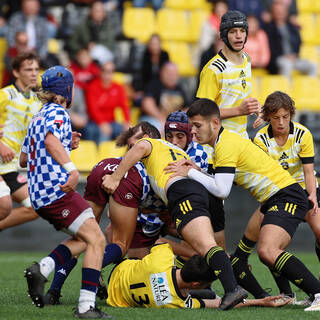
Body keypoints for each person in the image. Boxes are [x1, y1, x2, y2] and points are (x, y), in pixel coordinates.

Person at [166, 98, 320, 312]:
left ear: (215, 124)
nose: (193, 131)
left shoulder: (225, 145)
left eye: (197, 126)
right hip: (274, 198)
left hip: (286, 195)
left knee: (268, 250)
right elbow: (222, 180)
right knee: (252, 256)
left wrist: (190, 172)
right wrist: (198, 171)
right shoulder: (223, 143)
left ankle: (318, 293)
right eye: (191, 126)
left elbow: (221, 190)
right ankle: (286, 295)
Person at [101, 122, 248, 311]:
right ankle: (239, 287)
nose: (132, 149)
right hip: (196, 191)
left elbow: (143, 146)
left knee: (206, 246)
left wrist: (115, 177)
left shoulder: (151, 144)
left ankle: (232, 289)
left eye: (132, 146)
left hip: (181, 192)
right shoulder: (175, 151)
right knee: (207, 247)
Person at [20, 65, 111, 318]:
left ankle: (43, 268)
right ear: (67, 90)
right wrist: (71, 170)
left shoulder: (38, 115)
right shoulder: (59, 112)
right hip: (57, 191)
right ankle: (85, 307)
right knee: (98, 240)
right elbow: (50, 141)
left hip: (39, 195)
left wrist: (64, 143)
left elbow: (24, 159)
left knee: (85, 239)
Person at [233, 91, 320, 305]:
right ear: (268, 117)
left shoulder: (302, 134)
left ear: (291, 115)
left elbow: (309, 171)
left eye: (285, 116)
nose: (281, 122)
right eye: (276, 117)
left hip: (305, 190)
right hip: (279, 194)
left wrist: (313, 196)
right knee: (267, 242)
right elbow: (264, 174)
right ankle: (287, 294)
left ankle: (316, 292)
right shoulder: (261, 138)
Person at [106, 241, 290, 309]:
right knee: (210, 296)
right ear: (195, 284)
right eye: (205, 283)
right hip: (116, 296)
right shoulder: (176, 301)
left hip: (118, 274)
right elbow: (219, 304)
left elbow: (160, 241)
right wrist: (260, 301)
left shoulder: (162, 260)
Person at [197, 10, 262, 139]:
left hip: (241, 137)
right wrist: (239, 111)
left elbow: (240, 95)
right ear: (223, 36)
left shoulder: (247, 59)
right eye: (233, 32)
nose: (239, 36)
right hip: (218, 141)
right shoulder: (214, 69)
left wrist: (256, 107)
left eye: (242, 31)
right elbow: (201, 113)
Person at [0, 51, 41, 232]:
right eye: (28, 69)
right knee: (5, 205)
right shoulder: (5, 95)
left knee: (34, 207)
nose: (34, 73)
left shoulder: (37, 101)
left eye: (36, 69)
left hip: (9, 165)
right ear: (16, 72)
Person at [263, 0, 317, 76]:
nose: (279, 13)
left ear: (286, 12)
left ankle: (311, 87)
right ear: (272, 12)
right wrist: (284, 56)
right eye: (277, 11)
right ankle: (284, 87)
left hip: (293, 58)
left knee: (313, 66)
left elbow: (298, 43)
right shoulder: (268, 28)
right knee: (287, 65)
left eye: (282, 11)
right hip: (278, 59)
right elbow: (269, 48)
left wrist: (294, 55)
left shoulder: (292, 27)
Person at [84, 60, 130, 144]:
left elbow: (124, 106)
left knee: (129, 132)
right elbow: (92, 109)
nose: (108, 74)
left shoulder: (118, 87)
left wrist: (127, 122)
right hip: (94, 122)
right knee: (103, 133)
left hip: (112, 122)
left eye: (111, 71)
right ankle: (103, 156)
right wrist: (102, 123)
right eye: (105, 70)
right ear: (100, 72)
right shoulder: (93, 87)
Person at [141, 62, 187, 132]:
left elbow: (187, 108)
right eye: (169, 73)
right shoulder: (154, 85)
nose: (171, 76)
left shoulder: (180, 89)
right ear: (162, 73)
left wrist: (177, 119)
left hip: (172, 121)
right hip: (153, 119)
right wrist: (162, 118)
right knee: (160, 128)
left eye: (174, 74)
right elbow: (147, 104)